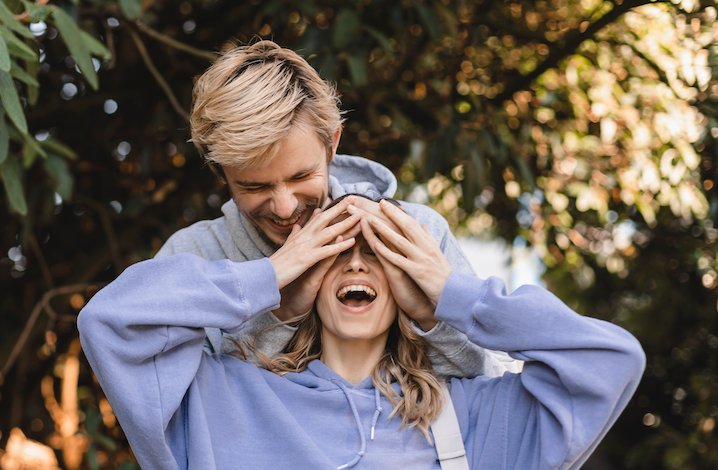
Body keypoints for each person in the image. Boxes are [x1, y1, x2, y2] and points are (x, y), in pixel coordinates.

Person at [77, 197, 646, 469]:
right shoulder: (221, 399)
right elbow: (112, 322)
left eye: (379, 255)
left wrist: (452, 296)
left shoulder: (473, 422)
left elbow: (608, 362)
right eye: (334, 253)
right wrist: (270, 282)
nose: (355, 265)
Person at [157, 39, 515, 377]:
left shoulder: (417, 233)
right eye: (255, 186)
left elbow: (494, 381)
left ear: (332, 143)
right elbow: (181, 409)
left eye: (301, 176)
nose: (284, 208)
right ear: (220, 172)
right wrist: (276, 303)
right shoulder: (192, 257)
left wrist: (434, 313)